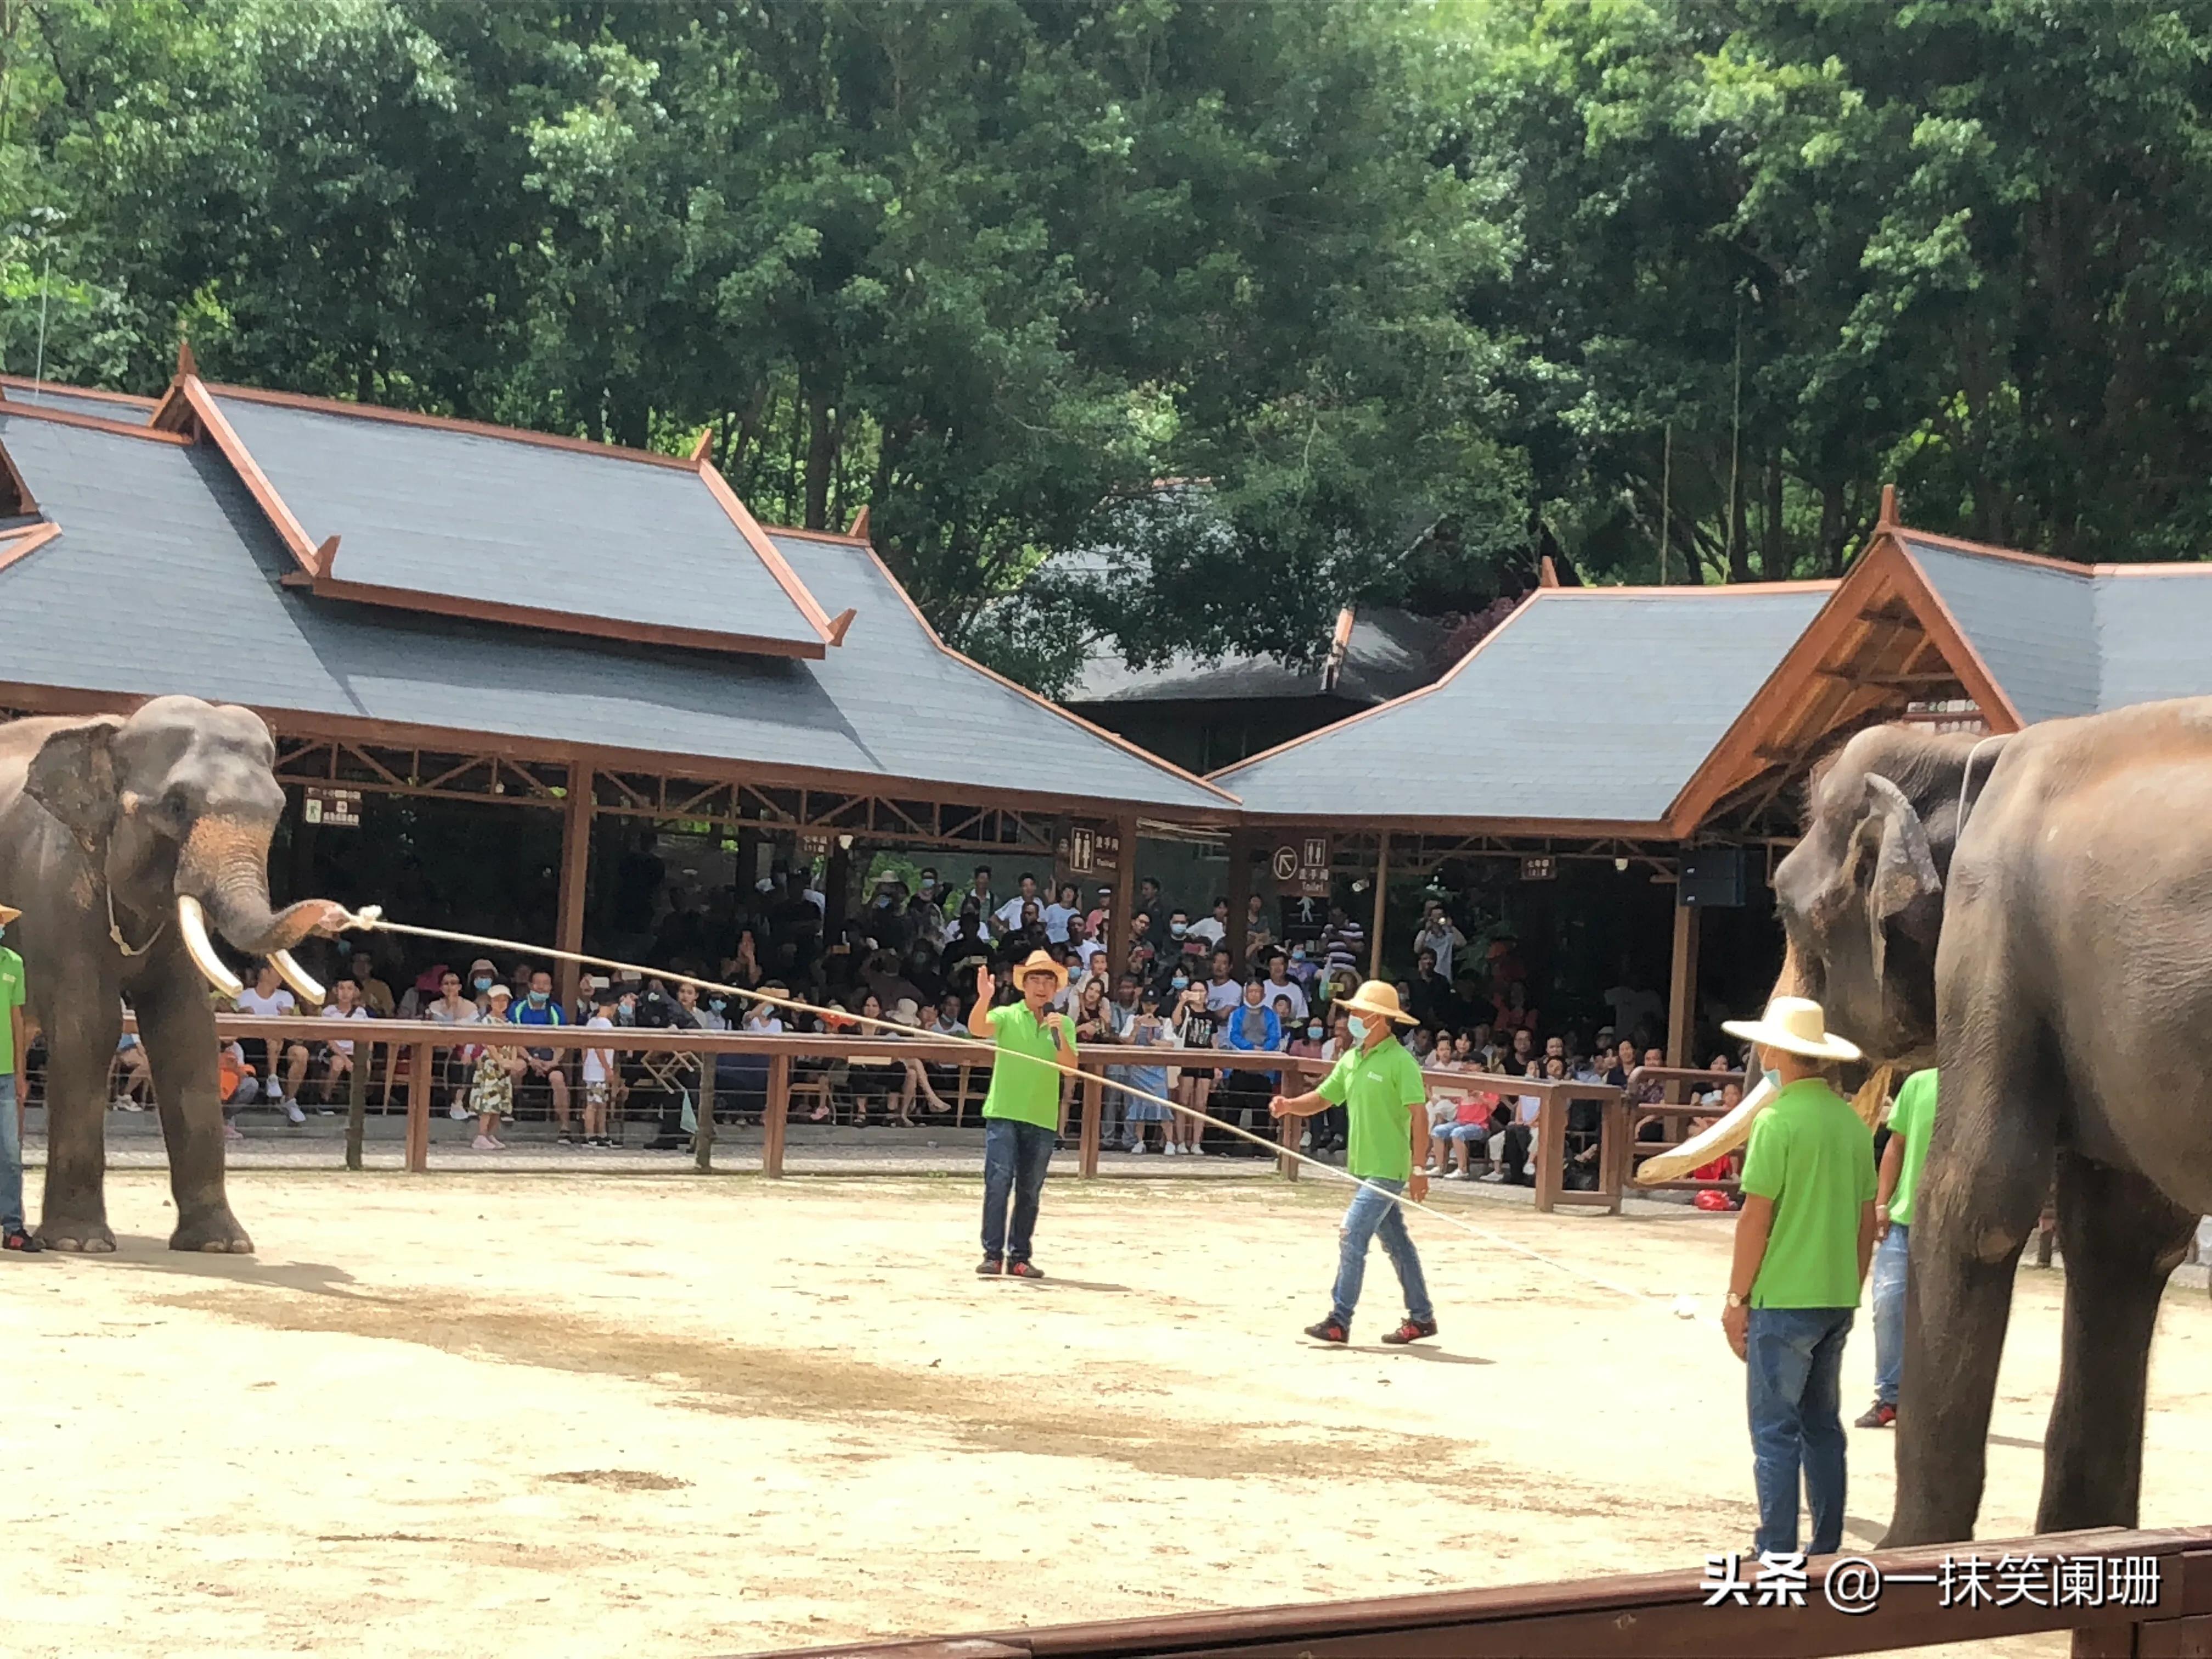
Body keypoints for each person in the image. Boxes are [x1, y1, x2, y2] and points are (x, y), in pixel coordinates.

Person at [1718, 996, 1876, 1560]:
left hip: (1784, 1295)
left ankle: (1776, 1547)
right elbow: (1866, 1220)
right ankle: (1827, 1543)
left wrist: (1737, 1298)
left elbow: (1755, 1218)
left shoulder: (1777, 1121)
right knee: (1821, 1425)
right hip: (1835, 1295)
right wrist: (1852, 1287)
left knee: (1774, 1431)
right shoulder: (1853, 1125)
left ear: (1778, 1051)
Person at [1269, 980, 1436, 1345]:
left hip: (1387, 1169)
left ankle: (1339, 1318)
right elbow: (1325, 1097)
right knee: (1398, 1244)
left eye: (1359, 1013)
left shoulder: (1401, 1062)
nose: (1352, 1018)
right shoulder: (1353, 1058)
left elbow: (1419, 1115)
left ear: (1379, 1018)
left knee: (1351, 1234)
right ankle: (1422, 1317)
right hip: (1364, 1168)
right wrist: (1290, 1106)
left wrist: (1419, 1167)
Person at [968, 951, 1075, 1277]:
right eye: (1035, 980)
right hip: (1004, 1112)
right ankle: (992, 1254)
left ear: (1055, 989)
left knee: (1030, 1189)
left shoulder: (1064, 1023)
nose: (1041, 987)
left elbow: (1070, 1068)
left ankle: (1020, 1256)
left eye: (1047, 981)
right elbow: (978, 1029)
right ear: (1023, 985)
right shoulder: (1007, 1015)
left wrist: (1059, 1037)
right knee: (998, 1182)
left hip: (1042, 1118)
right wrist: (984, 999)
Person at [1859, 1067, 1938, 1430]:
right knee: (1887, 1304)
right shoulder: (1918, 1083)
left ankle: (1935, 1403)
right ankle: (1890, 1396)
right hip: (1906, 1219)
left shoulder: (1983, 1079)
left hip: (1954, 1225)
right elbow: (1897, 1145)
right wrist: (1882, 1203)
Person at [0, 901, 37, 1252]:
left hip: (5, 1076)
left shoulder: (13, 963)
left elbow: (16, 1021)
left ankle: (13, 1227)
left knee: (11, 1155)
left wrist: (21, 1074)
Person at [512, 968, 573, 1141]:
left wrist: (553, 1062)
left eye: (546, 984)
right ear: (530, 985)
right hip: (525, 1056)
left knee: (558, 1079)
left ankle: (565, 1127)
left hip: (549, 1059)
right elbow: (514, 1039)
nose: (541, 987)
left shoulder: (556, 1011)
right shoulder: (518, 1008)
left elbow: (561, 1043)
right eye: (537, 983)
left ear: (551, 987)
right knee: (517, 1068)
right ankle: (508, 1111)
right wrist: (531, 1060)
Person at [1119, 985, 1175, 1153]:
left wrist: (1155, 1042)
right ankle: (1139, 1141)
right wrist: (1136, 1028)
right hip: (1138, 1069)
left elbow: (1171, 1044)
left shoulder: (1165, 1022)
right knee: (1138, 1104)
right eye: (1146, 1003)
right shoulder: (1132, 1019)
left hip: (1157, 1070)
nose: (1149, 1007)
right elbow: (1126, 1042)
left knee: (1162, 1104)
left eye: (1152, 1003)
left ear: (1158, 1005)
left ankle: (1170, 1142)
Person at [469, 985, 522, 1149]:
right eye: (497, 1000)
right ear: (491, 1002)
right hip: (491, 1065)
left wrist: (512, 1062)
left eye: (504, 1000)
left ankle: (491, 1134)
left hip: (504, 1066)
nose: (501, 1003)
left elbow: (514, 1043)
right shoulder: (486, 1021)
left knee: (500, 1101)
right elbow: (489, 1043)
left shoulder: (510, 1023)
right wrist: (500, 1060)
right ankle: (481, 1134)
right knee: (489, 1100)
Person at [315, 978, 373, 1111]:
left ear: (355, 992)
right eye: (341, 988)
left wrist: (367, 1055)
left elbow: (368, 1036)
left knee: (366, 1067)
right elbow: (329, 1040)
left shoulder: (361, 1013)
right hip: (334, 1051)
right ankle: (325, 1099)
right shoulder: (328, 1012)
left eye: (349, 989)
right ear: (336, 991)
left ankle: (356, 1103)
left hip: (356, 1052)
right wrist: (346, 1059)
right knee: (338, 1065)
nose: (345, 993)